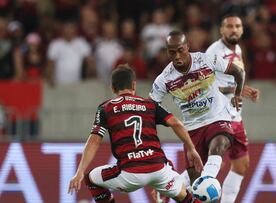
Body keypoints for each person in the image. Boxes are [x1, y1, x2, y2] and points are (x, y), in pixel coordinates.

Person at [68, 65, 203, 203]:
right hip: (159, 170)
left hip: (130, 174)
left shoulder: (106, 108)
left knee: (90, 178)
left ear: (113, 88)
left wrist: (79, 172)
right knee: (183, 196)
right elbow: (176, 123)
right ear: (134, 85)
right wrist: (191, 149)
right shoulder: (150, 104)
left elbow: (95, 140)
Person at [149, 30, 245, 187]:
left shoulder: (206, 59)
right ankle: (171, 188)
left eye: (180, 50)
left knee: (220, 143)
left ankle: (207, 180)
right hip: (192, 128)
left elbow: (238, 72)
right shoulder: (164, 79)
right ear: (167, 52)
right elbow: (150, 107)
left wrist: (238, 95)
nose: (177, 56)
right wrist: (167, 119)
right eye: (172, 52)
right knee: (194, 181)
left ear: (187, 47)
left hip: (218, 117)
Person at [206, 14, 260, 203]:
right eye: (229, 26)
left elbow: (232, 80)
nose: (233, 29)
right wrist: (236, 90)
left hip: (235, 116)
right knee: (212, 165)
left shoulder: (237, 49)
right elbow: (204, 85)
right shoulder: (214, 51)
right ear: (221, 30)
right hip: (219, 115)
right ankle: (171, 187)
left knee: (241, 164)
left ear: (242, 30)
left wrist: (243, 90)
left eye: (237, 26)